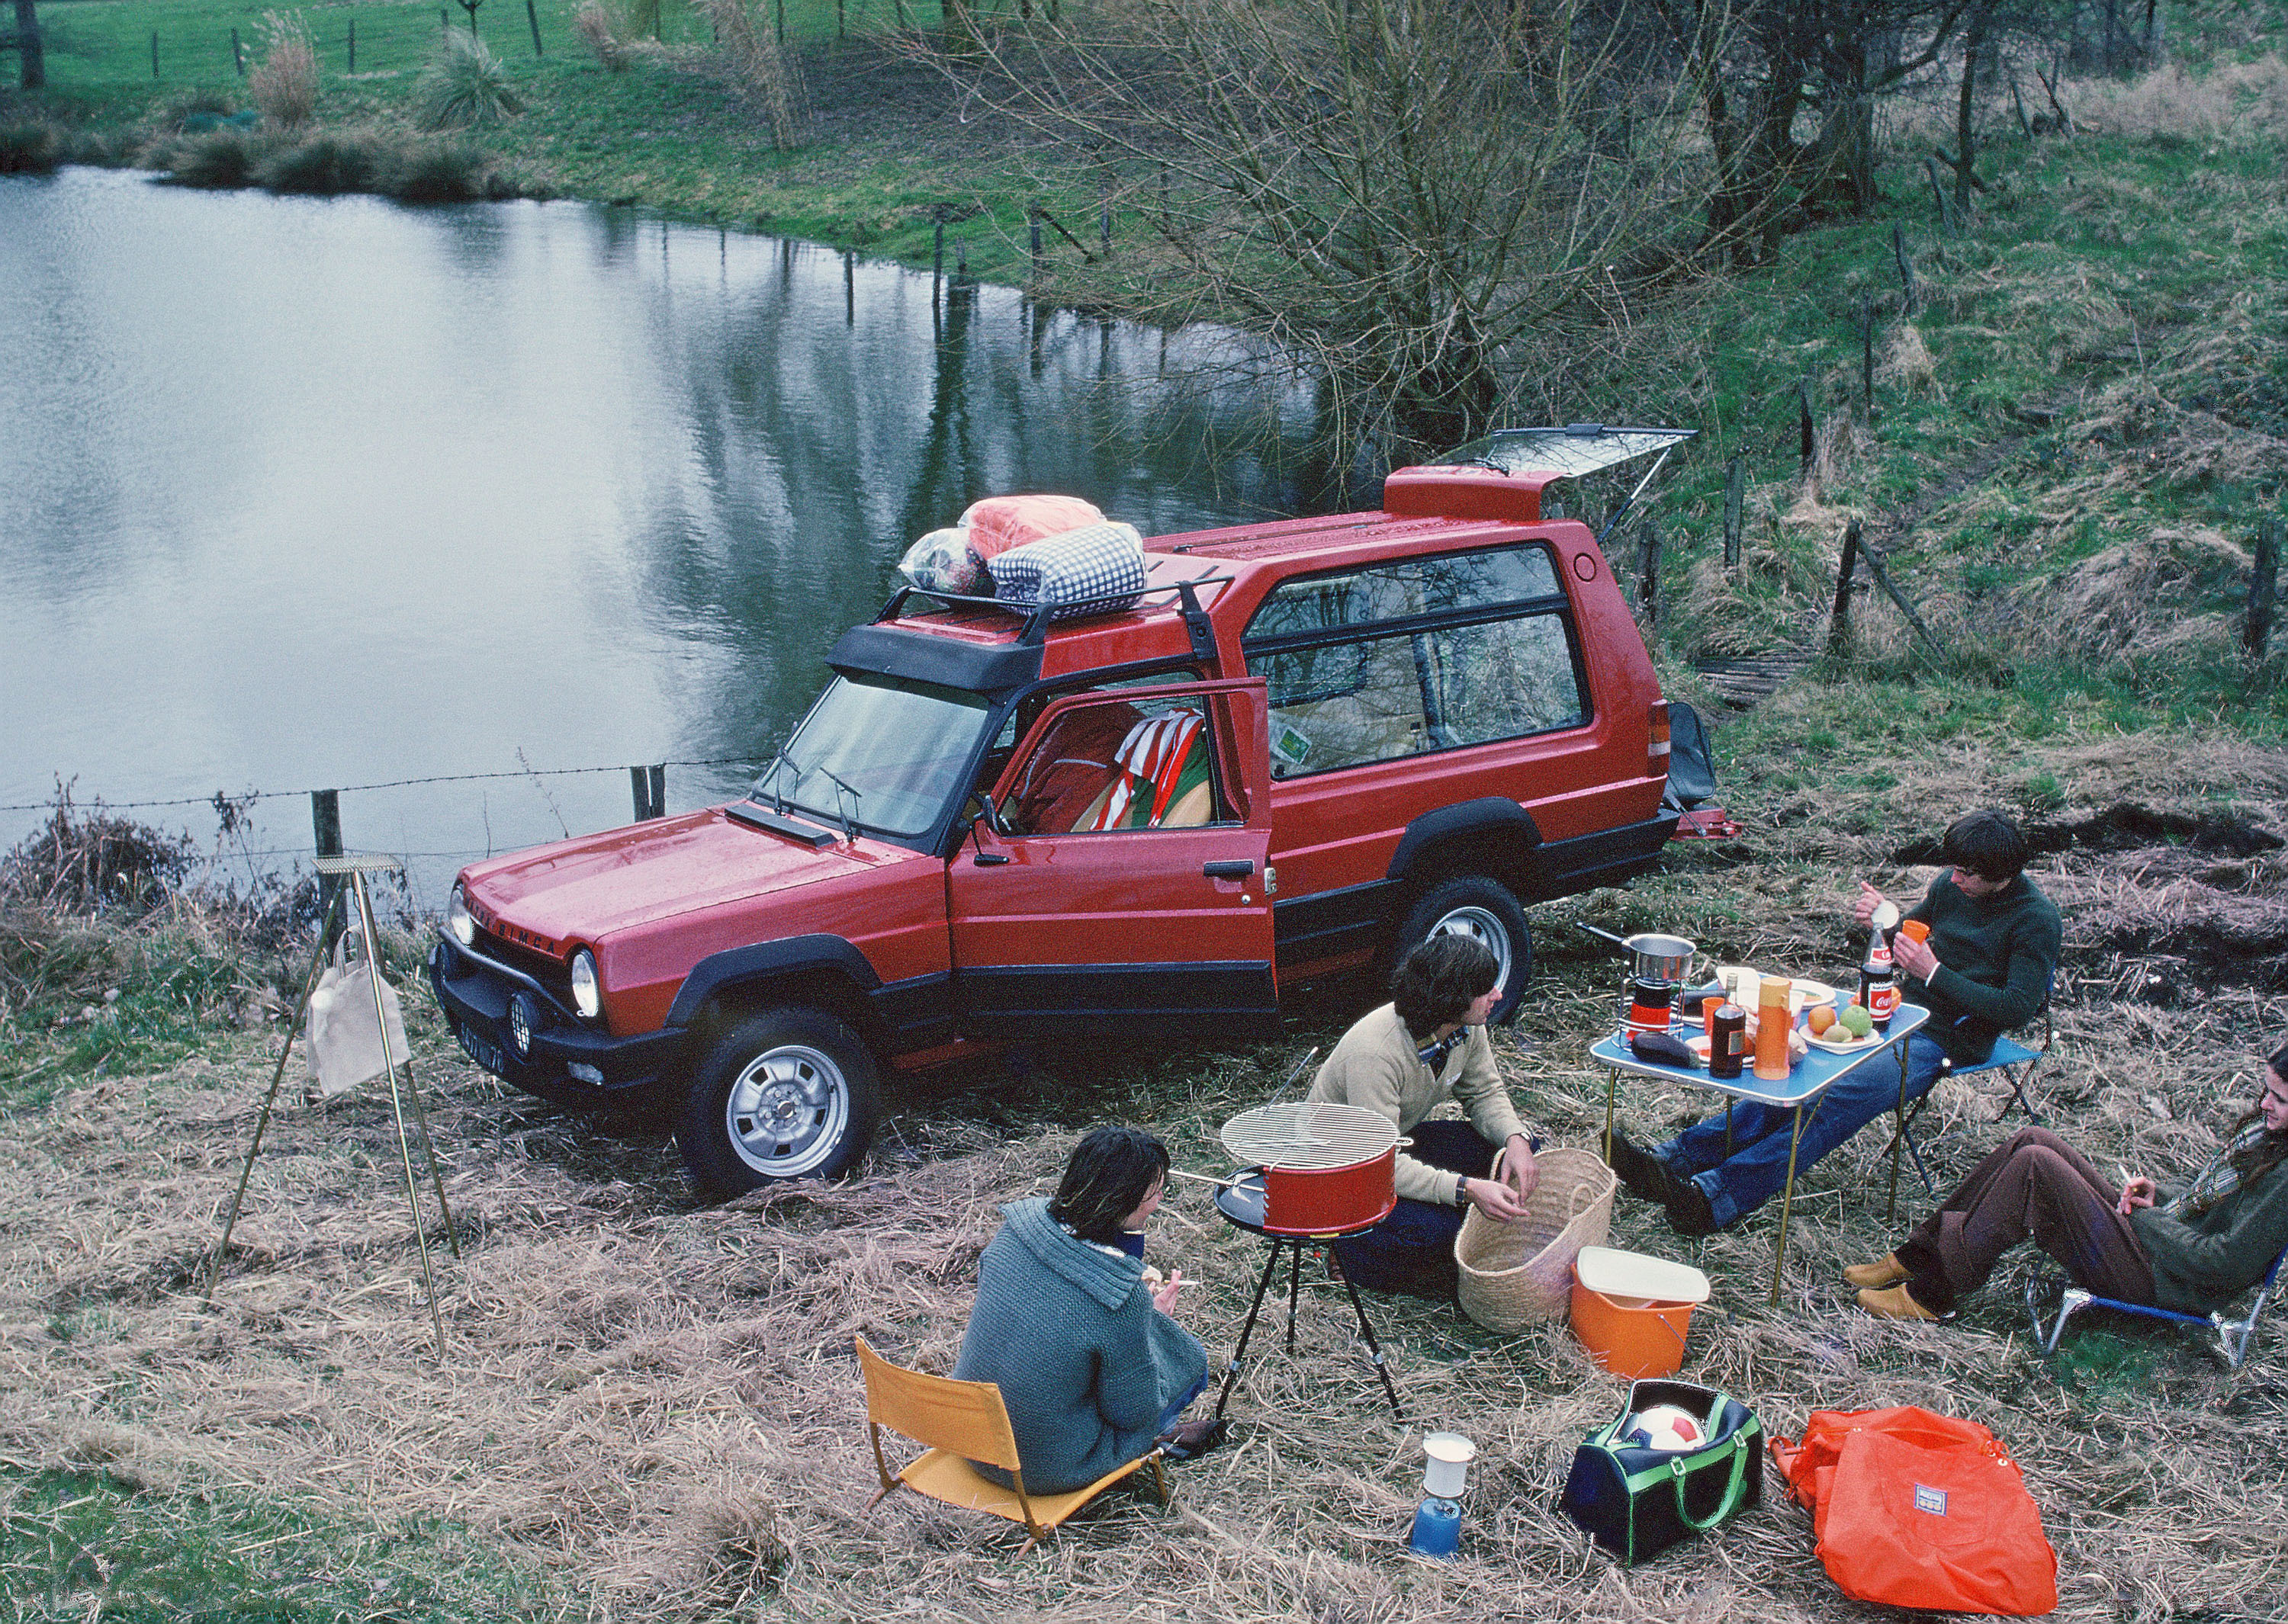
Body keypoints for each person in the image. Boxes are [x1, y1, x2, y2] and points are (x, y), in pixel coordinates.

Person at [1607, 808, 2061, 1234]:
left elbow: (2017, 1008)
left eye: (1968, 874)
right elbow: (1905, 932)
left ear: (2002, 875)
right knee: (1793, 1068)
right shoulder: (1950, 885)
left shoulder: (2035, 919)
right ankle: (1675, 1160)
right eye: (1955, 868)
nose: (1955, 878)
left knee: (1839, 1095)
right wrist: (1882, 919)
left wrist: (1934, 972)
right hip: (1895, 1012)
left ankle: (1715, 1198)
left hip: (1949, 1037)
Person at [1850, 1039, 2288, 1321]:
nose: (2265, 1103)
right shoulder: (2270, 1134)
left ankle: (1936, 1292)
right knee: (2033, 1138)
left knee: (2037, 1165)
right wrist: (2163, 1197)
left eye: (2280, 1098)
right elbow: (2214, 1200)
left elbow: (2224, 1263)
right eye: (2266, 1090)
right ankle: (1919, 1254)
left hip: (2168, 1282)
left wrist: (2146, 1222)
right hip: (2165, 1244)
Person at [952, 1126, 1213, 1493]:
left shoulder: (1014, 1231)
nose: (1157, 1204)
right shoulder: (1121, 1300)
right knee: (1189, 1359)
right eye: (1154, 1194)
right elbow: (1132, 1411)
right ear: (1124, 1201)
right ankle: (1162, 1437)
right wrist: (1153, 1324)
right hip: (1041, 1468)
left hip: (969, 1435)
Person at [1304, 935, 1541, 1296]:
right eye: (1485, 989)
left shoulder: (1465, 1026)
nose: (1498, 995)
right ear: (1453, 998)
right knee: (1446, 1231)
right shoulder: (1376, 1054)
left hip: (1396, 1141)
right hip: (1345, 1175)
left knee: (1519, 1154)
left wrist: (1516, 1139)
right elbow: (1380, 1165)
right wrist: (1466, 1189)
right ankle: (1349, 1249)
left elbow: (1484, 1092)